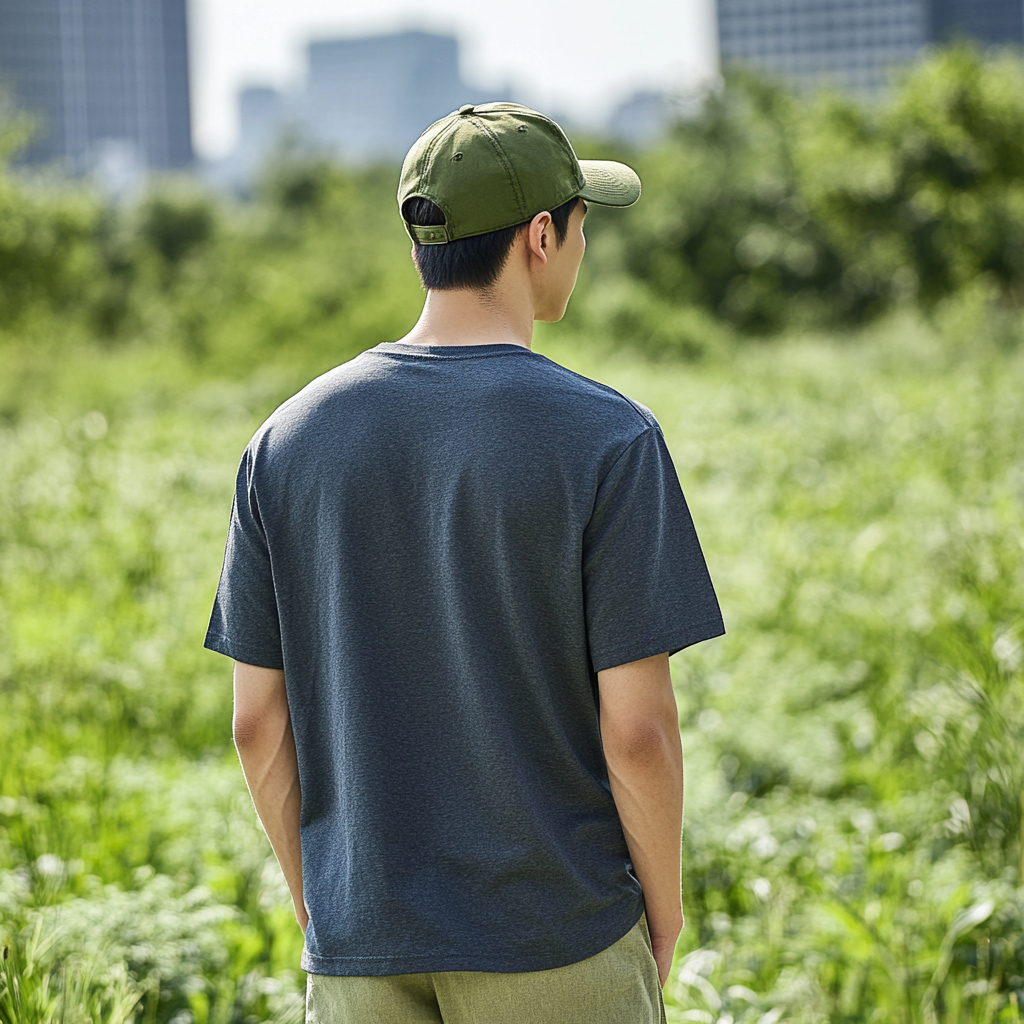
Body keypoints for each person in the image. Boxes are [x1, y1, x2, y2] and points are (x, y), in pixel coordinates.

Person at [205, 101, 725, 1024]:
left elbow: (255, 724)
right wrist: (665, 910)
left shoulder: (284, 440)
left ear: (422, 245)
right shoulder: (608, 437)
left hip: (362, 944)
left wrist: (321, 905)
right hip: (557, 939)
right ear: (539, 236)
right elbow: (638, 735)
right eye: (580, 220)